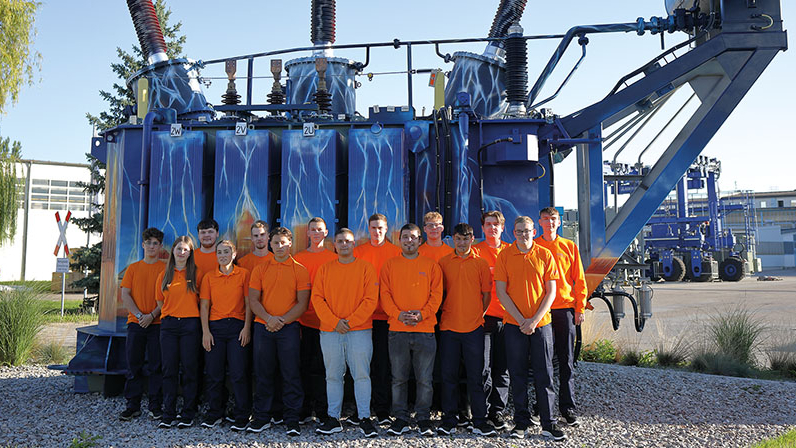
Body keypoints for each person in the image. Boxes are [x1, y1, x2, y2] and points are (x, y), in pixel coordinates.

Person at [494, 216, 566, 441]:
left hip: (541, 326)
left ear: (534, 231)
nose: (523, 235)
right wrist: (521, 320)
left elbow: (551, 292)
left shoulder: (545, 255)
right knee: (517, 375)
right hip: (515, 325)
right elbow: (501, 292)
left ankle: (548, 423)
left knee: (545, 374)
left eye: (527, 231)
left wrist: (534, 320)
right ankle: (520, 423)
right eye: (519, 231)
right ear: (513, 233)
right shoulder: (504, 256)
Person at [312, 228, 379, 438]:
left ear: (353, 244)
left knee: (361, 375)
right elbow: (317, 298)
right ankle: (333, 419)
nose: (343, 244)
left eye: (348, 241)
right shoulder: (325, 269)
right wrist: (334, 322)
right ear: (335, 245)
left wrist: (349, 322)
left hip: (359, 330)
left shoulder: (366, 268)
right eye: (340, 241)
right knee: (332, 376)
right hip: (330, 331)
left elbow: (370, 300)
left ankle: (364, 418)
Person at [380, 223, 443, 437]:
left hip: (425, 330)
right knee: (399, 378)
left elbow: (436, 296)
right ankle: (400, 419)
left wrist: (421, 315)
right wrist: (398, 315)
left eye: (413, 237)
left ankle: (423, 418)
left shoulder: (431, 265)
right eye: (405, 237)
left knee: (424, 379)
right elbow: (385, 294)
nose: (409, 240)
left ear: (419, 240)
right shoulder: (390, 265)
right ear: (400, 240)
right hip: (397, 329)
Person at [247, 227, 310, 437]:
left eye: (284, 242)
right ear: (270, 244)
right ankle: (262, 417)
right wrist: (269, 319)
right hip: (263, 326)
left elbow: (302, 303)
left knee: (291, 373)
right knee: (263, 373)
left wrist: (281, 321)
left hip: (289, 328)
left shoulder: (299, 270)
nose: (280, 246)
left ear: (290, 243)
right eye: (276, 243)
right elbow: (253, 300)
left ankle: (292, 419)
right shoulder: (260, 269)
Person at [436, 223, 497, 437]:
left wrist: (479, 314)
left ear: (472, 239)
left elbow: (487, 294)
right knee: (448, 376)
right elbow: (439, 293)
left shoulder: (480, 263)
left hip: (474, 328)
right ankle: (450, 419)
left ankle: (479, 420)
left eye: (466, 239)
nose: (462, 243)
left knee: (476, 376)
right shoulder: (443, 262)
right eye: (458, 239)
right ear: (452, 239)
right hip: (449, 327)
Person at [534, 207, 588, 427]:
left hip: (564, 308)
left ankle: (568, 408)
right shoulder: (534, 246)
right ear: (540, 222)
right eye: (545, 219)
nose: (549, 222)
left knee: (566, 361)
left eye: (553, 219)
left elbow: (580, 280)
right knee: (542, 361)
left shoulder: (569, 247)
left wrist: (580, 307)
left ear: (559, 222)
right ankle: (540, 408)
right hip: (540, 311)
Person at [353, 213, 401, 425]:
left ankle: (382, 409)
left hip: (386, 318)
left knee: (382, 365)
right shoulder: (358, 252)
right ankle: (360, 409)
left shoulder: (396, 253)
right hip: (362, 317)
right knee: (360, 366)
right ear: (368, 229)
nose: (377, 231)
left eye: (380, 228)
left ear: (386, 228)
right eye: (373, 228)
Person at [199, 240, 252, 431]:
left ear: (234, 253)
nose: (223, 255)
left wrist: (247, 328)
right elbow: (204, 306)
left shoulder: (244, 274)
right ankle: (215, 413)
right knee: (214, 373)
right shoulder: (209, 277)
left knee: (238, 373)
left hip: (238, 327)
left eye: (226, 252)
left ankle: (242, 414)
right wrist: (205, 332)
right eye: (219, 252)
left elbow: (248, 303)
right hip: (215, 328)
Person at [119, 227, 166, 422]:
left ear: (160, 246)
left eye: (156, 243)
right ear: (143, 245)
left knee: (156, 365)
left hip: (157, 323)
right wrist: (139, 315)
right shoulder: (133, 268)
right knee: (133, 364)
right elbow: (125, 294)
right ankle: (133, 405)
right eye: (149, 243)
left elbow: (167, 296)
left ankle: (155, 405)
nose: (152, 246)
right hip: (136, 323)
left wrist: (152, 314)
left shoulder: (165, 268)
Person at [293, 217, 337, 425]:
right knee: (303, 367)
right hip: (303, 322)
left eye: (320, 229)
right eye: (313, 230)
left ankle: (322, 409)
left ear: (326, 232)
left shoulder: (333, 258)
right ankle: (304, 409)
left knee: (323, 368)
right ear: (308, 233)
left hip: (327, 323)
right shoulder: (298, 258)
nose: (317, 233)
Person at [156, 236, 201, 429]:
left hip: (191, 325)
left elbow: (204, 301)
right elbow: (159, 301)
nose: (181, 253)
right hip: (169, 326)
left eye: (185, 250)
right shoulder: (164, 274)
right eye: (178, 249)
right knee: (169, 369)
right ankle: (169, 413)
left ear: (190, 253)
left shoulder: (197, 273)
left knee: (190, 369)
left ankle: (188, 413)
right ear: (173, 250)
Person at [473, 211, 511, 430]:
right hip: (483, 318)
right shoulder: (476, 252)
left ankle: (498, 412)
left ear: (502, 228)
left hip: (507, 318)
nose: (492, 228)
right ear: (483, 227)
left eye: (496, 224)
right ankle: (482, 410)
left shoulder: (510, 252)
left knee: (502, 368)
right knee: (483, 367)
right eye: (488, 224)